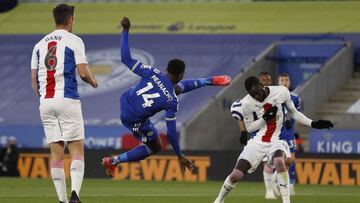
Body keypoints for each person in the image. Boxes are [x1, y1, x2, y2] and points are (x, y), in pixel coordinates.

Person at [101, 17, 231, 176]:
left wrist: (125, 31)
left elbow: (125, 59)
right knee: (154, 146)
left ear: (167, 69)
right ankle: (113, 161)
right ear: (181, 75)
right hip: (132, 118)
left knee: (173, 90)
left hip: (125, 100)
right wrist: (179, 155)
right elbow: (170, 133)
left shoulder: (152, 72)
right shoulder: (171, 101)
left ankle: (208, 81)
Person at [214, 76, 333, 203]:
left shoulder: (281, 91)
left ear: (261, 85)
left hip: (278, 138)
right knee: (236, 175)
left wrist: (313, 123)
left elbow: (293, 112)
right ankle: (219, 200)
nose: (257, 97)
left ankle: (286, 201)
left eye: (257, 93)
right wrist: (264, 118)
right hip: (258, 140)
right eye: (252, 95)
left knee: (279, 162)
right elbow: (250, 128)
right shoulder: (246, 103)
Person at [31, 4, 98, 203]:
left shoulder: (38, 45)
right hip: (67, 99)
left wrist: (44, 99)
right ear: (71, 20)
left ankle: (61, 200)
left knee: (56, 153)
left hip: (46, 102)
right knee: (76, 150)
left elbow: (34, 80)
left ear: (55, 19)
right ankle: (75, 196)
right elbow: (84, 72)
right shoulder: (74, 40)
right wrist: (93, 81)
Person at [278, 73, 301, 195]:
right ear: (278, 82)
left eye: (286, 80)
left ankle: (291, 183)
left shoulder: (296, 98)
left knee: (291, 159)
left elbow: (297, 115)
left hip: (289, 132)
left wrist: (294, 128)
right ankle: (277, 181)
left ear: (290, 82)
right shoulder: (273, 96)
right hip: (276, 132)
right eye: (282, 80)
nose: (285, 82)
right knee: (276, 158)